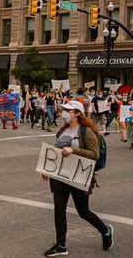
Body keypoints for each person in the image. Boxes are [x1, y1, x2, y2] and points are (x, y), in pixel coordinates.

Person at [42, 101, 114, 256]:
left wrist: (73, 150)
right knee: (59, 209)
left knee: (83, 211)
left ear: (77, 113)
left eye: (67, 110)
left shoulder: (86, 131)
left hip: (79, 175)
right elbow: (57, 151)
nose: (63, 113)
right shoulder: (64, 130)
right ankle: (61, 245)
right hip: (60, 175)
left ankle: (105, 230)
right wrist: (47, 168)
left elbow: (94, 154)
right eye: (63, 110)